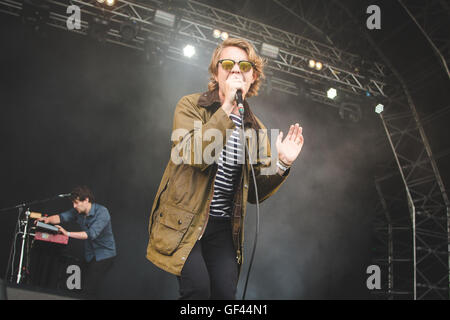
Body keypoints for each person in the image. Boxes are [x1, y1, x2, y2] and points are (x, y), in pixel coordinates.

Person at [146, 38, 304, 300]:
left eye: (244, 65)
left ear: (253, 76)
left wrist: (282, 164)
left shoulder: (256, 129)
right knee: (197, 291)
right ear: (216, 72)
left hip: (223, 229)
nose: (235, 70)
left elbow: (254, 193)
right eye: (228, 63)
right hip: (185, 222)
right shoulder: (191, 107)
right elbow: (194, 154)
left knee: (224, 295)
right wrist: (228, 108)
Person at [37, 186, 116, 299]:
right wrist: (47, 220)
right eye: (73, 203)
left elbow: (90, 235)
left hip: (104, 255)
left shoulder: (102, 212)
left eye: (76, 203)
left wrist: (67, 233)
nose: (74, 206)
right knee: (76, 286)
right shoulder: (77, 211)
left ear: (86, 200)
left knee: (88, 289)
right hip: (89, 255)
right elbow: (62, 217)